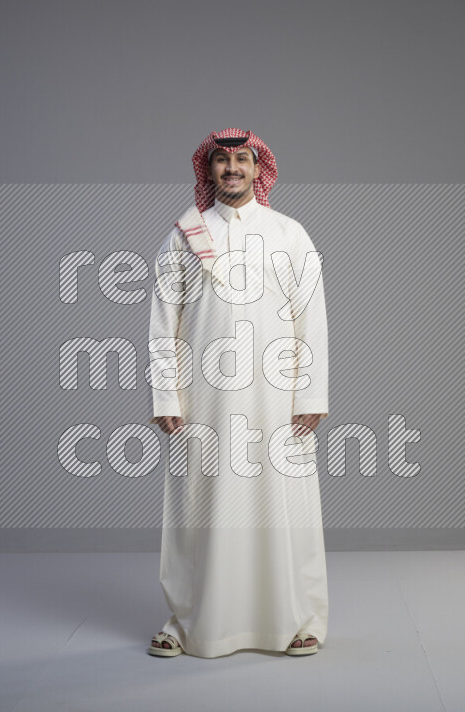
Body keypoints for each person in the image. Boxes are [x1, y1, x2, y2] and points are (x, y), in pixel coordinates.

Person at [146, 128, 329, 658]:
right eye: (222, 161)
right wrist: (166, 396)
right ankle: (186, 622)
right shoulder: (184, 235)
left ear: (258, 168)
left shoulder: (290, 234)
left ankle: (296, 620)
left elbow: (310, 317)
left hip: (278, 400)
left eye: (242, 160)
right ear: (208, 171)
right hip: (202, 399)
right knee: (196, 507)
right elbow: (164, 322)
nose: (232, 169)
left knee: (284, 507)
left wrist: (310, 393)